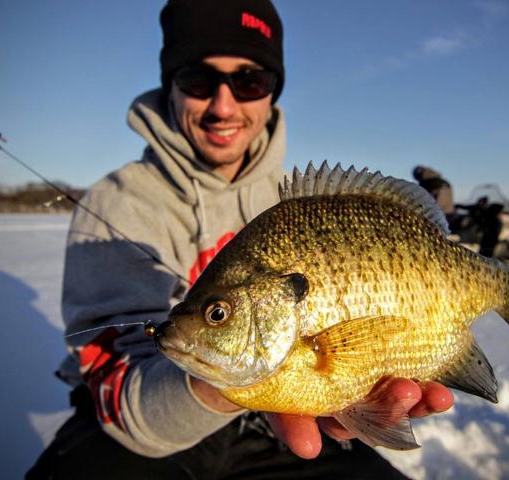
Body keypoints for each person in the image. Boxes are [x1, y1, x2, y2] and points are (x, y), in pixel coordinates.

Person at [26, 1, 453, 478]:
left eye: (250, 80)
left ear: (272, 91)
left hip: (286, 417)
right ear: (171, 84)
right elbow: (115, 380)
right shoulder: (115, 206)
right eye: (199, 80)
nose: (223, 106)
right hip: (152, 429)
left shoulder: (297, 205)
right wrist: (219, 384)